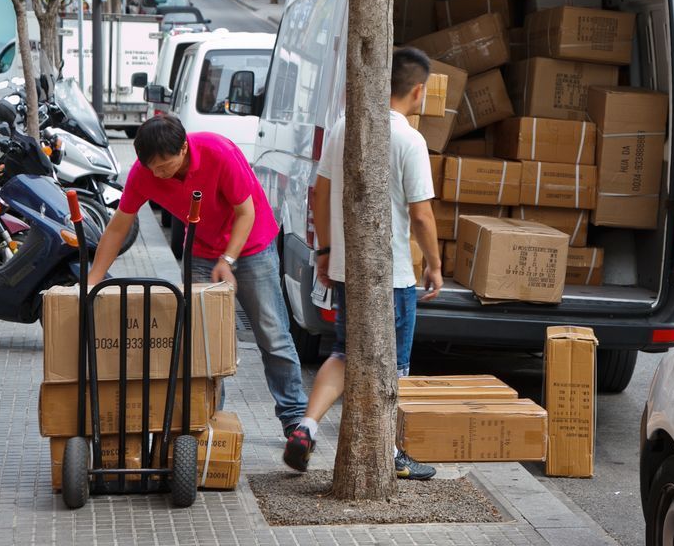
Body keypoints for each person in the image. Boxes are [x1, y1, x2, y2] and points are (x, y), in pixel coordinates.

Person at [86, 115, 309, 437]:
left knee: (272, 334)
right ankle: (207, 416)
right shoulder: (143, 173)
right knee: (199, 340)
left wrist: (228, 260)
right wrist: (94, 278)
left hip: (251, 245)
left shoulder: (218, 152)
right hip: (201, 251)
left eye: (166, 165)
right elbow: (119, 225)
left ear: (184, 147)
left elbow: (246, 212)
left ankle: (294, 419)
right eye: (153, 168)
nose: (160, 174)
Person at [283, 47, 443, 480]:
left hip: (347, 270)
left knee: (344, 351)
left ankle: (307, 426)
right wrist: (434, 263)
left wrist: (326, 251)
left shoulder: (344, 127)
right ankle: (389, 451)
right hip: (391, 277)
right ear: (418, 91)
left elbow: (319, 193)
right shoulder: (410, 139)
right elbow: (422, 214)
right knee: (393, 365)